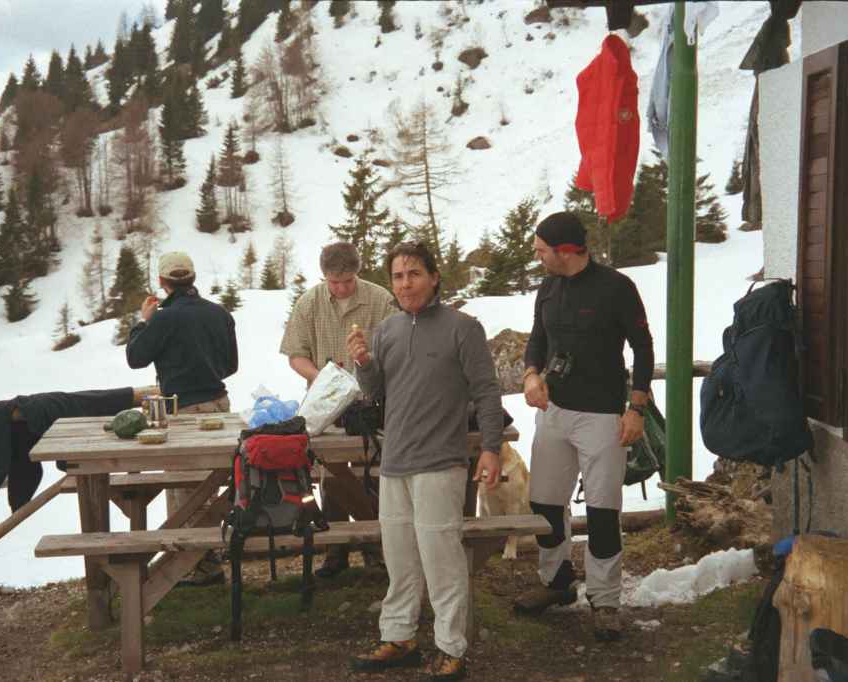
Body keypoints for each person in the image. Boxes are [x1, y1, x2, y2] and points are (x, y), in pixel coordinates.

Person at [347, 242, 503, 681]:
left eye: (414, 273)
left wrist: (491, 447)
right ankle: (399, 638)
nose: (405, 283)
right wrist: (363, 362)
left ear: (434, 278)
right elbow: (375, 392)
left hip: (440, 462)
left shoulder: (463, 328)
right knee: (399, 559)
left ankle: (451, 648)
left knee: (442, 561)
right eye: (397, 276)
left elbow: (486, 392)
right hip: (394, 460)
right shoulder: (387, 330)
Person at [512, 212, 654, 642]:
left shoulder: (616, 288)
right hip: (554, 411)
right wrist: (531, 375)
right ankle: (556, 582)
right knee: (545, 503)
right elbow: (537, 339)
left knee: (603, 510)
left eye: (542, 250)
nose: (537, 256)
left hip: (603, 416)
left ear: (566, 251)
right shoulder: (548, 287)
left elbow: (643, 347)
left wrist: (636, 408)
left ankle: (605, 600)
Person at [280, 242, 395, 577]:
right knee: (330, 473)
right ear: (324, 277)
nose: (342, 288)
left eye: (347, 281)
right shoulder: (309, 302)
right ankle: (336, 550)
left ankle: (375, 546)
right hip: (325, 405)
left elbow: (398, 350)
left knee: (369, 471)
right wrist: (324, 379)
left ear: (357, 273)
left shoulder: (380, 300)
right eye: (334, 282)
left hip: (371, 404)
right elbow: (296, 354)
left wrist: (368, 366)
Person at [126, 251, 238, 585]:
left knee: (185, 492)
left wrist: (143, 321)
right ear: (192, 278)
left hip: (183, 410)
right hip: (219, 406)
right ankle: (207, 558)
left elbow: (135, 358)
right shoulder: (219, 313)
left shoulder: (163, 319)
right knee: (212, 485)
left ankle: (198, 566)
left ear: (162, 282)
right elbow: (231, 366)